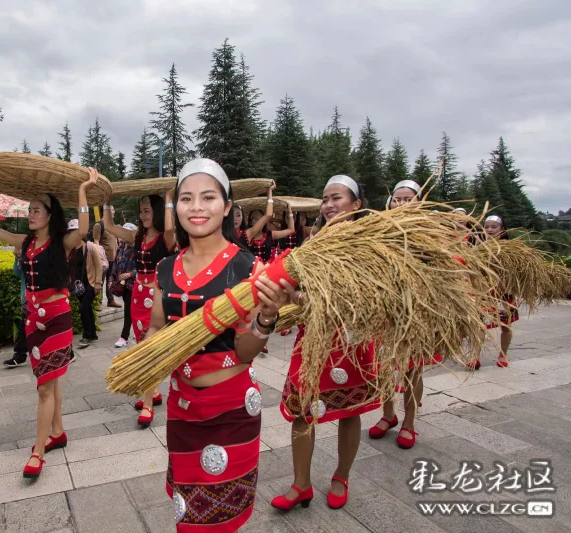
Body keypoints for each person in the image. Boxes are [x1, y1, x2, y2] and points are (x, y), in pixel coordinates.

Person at [151, 158, 289, 531]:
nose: (196, 207)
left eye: (208, 197)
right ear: (176, 206)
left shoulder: (248, 269)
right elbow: (155, 332)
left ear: (227, 207)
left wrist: (266, 317)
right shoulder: (165, 269)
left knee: (219, 519)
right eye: (186, 198)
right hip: (182, 410)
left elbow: (245, 351)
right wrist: (147, 370)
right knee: (189, 515)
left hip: (230, 409)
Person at [0, 169, 98, 479]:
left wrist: (84, 189)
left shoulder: (63, 241)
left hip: (56, 319)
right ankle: (57, 431)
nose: (30, 214)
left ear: (49, 215)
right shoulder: (25, 241)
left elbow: (84, 227)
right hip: (33, 320)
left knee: (44, 387)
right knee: (51, 378)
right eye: (29, 209)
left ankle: (39, 450)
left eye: (35, 210)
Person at [272, 174, 378, 512]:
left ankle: (341, 476)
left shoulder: (371, 244)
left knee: (350, 410)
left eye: (337, 198)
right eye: (325, 199)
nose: (329, 205)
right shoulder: (313, 243)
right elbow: (302, 294)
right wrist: (291, 297)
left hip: (351, 340)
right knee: (303, 409)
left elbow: (367, 297)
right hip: (313, 336)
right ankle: (301, 483)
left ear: (357, 204)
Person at [368, 180, 437, 449]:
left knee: (412, 370)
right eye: (397, 199)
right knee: (383, 367)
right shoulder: (382, 229)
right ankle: (388, 415)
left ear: (419, 201)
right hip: (387, 308)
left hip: (417, 309)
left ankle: (409, 422)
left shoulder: (430, 230)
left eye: (408, 199)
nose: (401, 203)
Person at [102, 196, 175, 427]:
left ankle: (147, 404)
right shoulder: (138, 236)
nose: (143, 216)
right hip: (138, 294)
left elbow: (171, 225)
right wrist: (106, 203)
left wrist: (169, 200)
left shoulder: (167, 237)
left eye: (148, 211)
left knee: (148, 347)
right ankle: (152, 392)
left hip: (158, 294)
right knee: (141, 342)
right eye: (141, 211)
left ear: (158, 212)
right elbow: (110, 227)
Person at [469, 214, 516, 369]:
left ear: (502, 229)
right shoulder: (479, 246)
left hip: (505, 292)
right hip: (484, 292)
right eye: (486, 226)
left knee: (506, 325)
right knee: (479, 324)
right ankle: (475, 356)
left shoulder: (512, 249)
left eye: (494, 227)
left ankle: (503, 354)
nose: (489, 230)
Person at [70, 220, 104, 347]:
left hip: (90, 283)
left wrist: (98, 283)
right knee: (88, 309)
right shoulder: (71, 249)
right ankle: (93, 334)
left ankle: (87, 336)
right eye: (71, 232)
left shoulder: (90, 247)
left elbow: (99, 266)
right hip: (79, 286)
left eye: (76, 231)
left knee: (83, 308)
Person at [113, 222, 138, 348]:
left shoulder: (138, 248)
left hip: (134, 284)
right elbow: (116, 264)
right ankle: (136, 328)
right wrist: (113, 278)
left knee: (128, 310)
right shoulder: (121, 247)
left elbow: (143, 267)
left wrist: (130, 274)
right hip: (122, 284)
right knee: (130, 309)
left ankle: (124, 337)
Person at [3, 248, 29, 367]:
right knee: (24, 326)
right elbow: (17, 273)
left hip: (43, 297)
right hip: (27, 298)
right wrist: (18, 258)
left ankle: (68, 352)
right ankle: (20, 355)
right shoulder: (24, 254)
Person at [233, 184, 276, 250]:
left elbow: (268, 214)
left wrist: (269, 192)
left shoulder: (247, 234)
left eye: (238, 215)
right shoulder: (221, 235)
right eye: (232, 215)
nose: (235, 219)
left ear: (242, 217)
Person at [96, 217, 121, 308]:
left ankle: (111, 300)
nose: (113, 211)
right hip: (103, 259)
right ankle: (98, 302)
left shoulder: (112, 226)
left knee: (110, 280)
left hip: (113, 259)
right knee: (100, 281)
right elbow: (96, 242)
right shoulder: (99, 225)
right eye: (111, 208)